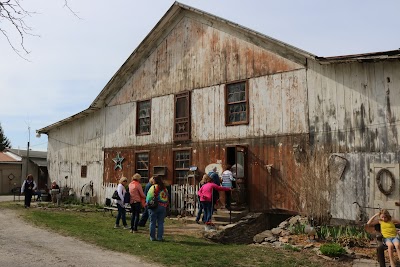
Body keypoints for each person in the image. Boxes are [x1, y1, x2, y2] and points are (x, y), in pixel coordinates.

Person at [146, 176, 169, 241]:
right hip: (163, 206)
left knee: (152, 222)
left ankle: (152, 237)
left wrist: (147, 204)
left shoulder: (153, 187)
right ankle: (159, 237)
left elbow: (149, 197)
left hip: (154, 206)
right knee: (161, 222)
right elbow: (167, 197)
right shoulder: (164, 188)